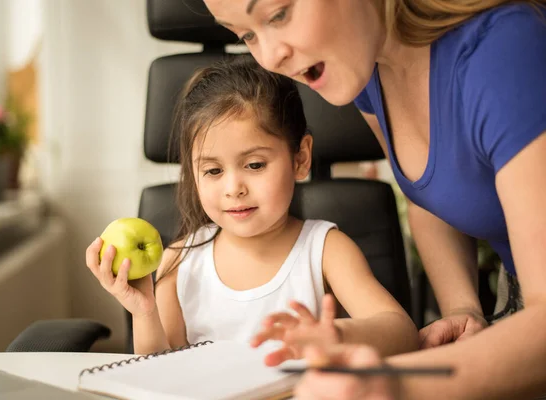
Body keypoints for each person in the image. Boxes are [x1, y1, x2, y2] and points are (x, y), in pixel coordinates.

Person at [202, 0, 546, 398]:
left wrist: (391, 385)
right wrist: (462, 309)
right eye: (245, 35)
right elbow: (426, 197)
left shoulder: (506, 49)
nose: (269, 57)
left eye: (278, 14)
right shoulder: (369, 71)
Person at [85, 56, 418, 363]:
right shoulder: (180, 259)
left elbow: (402, 332)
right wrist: (145, 312)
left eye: (255, 165)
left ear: (300, 158)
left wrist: (337, 335)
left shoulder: (325, 250)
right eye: (213, 171)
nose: (234, 188)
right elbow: (159, 374)